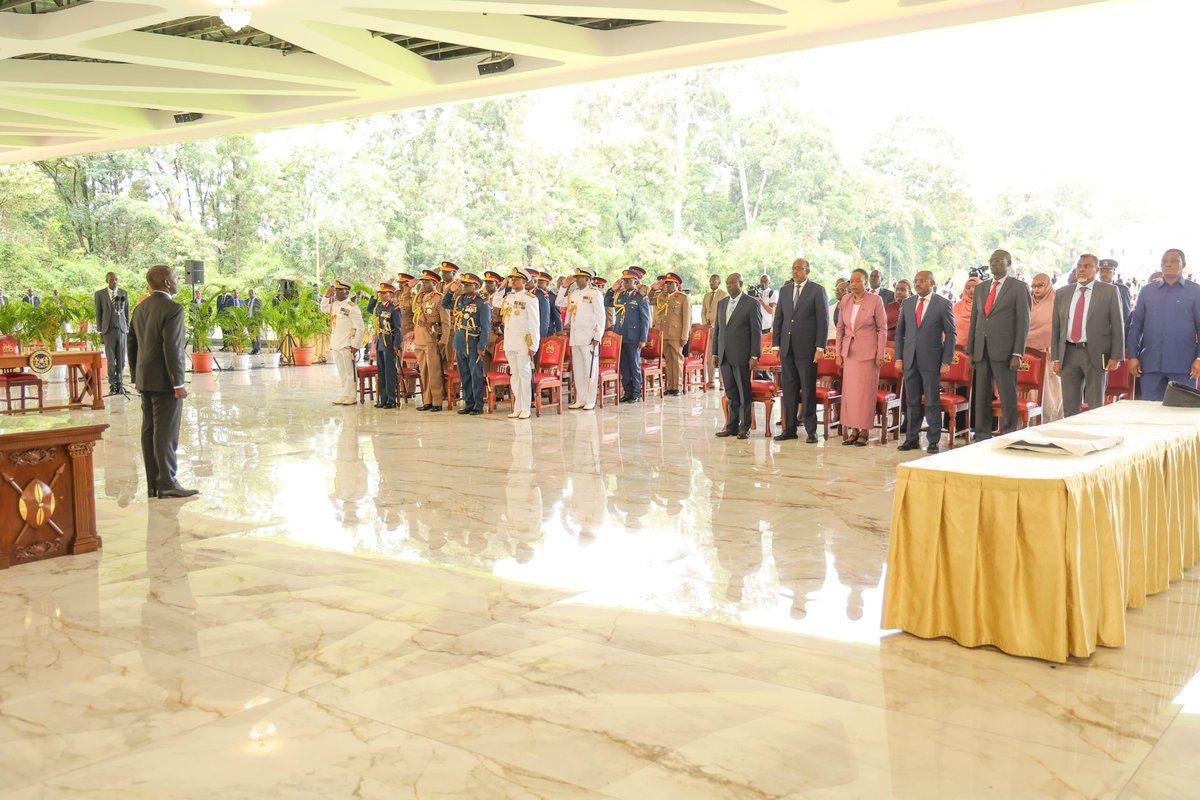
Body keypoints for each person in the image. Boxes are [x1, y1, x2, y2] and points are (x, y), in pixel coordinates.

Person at [127, 264, 197, 499]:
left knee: (149, 430)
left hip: (145, 380)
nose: (177, 281)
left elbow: (132, 345)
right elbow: (173, 348)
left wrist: (137, 377)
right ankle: (167, 482)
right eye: (175, 278)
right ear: (167, 283)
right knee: (165, 432)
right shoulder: (173, 308)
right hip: (166, 382)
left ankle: (153, 484)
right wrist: (178, 384)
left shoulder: (140, 309)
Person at [967, 250, 1031, 440]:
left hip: (1005, 351)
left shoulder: (1019, 287)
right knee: (981, 396)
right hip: (981, 349)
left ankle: (1009, 434)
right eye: (991, 261)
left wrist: (1017, 353)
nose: (993, 263)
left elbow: (1023, 322)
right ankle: (982, 435)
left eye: (998, 260)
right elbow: (975, 321)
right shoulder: (981, 288)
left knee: (1007, 395)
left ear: (1008, 262)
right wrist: (971, 350)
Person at [1051, 254, 1125, 417]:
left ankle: (1094, 439)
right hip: (1068, 354)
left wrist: (1116, 356)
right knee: (1070, 407)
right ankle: (1072, 440)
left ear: (1096, 270)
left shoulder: (1109, 291)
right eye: (1079, 266)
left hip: (1096, 354)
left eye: (1087, 266)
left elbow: (1118, 326)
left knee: (1095, 405)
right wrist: (1055, 358)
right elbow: (1056, 328)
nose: (1082, 270)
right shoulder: (1063, 293)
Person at [894, 270, 955, 453]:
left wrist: (946, 360)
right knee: (911, 401)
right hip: (910, 359)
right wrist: (898, 357)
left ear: (932, 282)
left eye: (922, 281)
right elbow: (899, 333)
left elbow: (951, 334)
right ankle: (911, 438)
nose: (918, 284)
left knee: (931, 401)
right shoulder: (907, 303)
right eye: (916, 281)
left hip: (932, 360)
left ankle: (933, 440)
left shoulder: (943, 304)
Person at [1126, 249, 1200, 401]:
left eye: (1174, 261)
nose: (1168, 264)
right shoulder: (1147, 291)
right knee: (1151, 414)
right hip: (1150, 364)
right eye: (1164, 261)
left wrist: (1199, 359)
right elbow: (1136, 326)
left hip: (1184, 365)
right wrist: (1132, 356)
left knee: (1182, 414)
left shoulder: (1195, 291)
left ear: (1183, 264)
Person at [771, 258, 829, 443]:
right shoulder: (785, 290)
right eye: (793, 268)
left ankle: (812, 431)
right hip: (787, 348)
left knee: (808, 389)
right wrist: (776, 345)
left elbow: (823, 321)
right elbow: (779, 318)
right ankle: (789, 429)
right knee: (789, 389)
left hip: (807, 349)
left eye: (799, 269)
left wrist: (820, 347)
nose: (795, 272)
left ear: (807, 271)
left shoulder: (817, 290)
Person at [835, 268, 888, 446]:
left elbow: (882, 328)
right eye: (851, 281)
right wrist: (838, 353)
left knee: (865, 393)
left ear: (865, 282)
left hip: (868, 354)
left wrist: (880, 353)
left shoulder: (875, 300)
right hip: (849, 352)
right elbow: (840, 328)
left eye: (858, 281)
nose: (854, 284)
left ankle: (864, 430)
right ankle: (853, 430)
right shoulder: (846, 299)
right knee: (850, 394)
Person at [711, 272, 760, 440]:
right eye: (727, 283)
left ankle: (744, 427)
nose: (729, 285)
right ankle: (731, 426)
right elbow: (718, 331)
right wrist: (715, 352)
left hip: (742, 355)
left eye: (732, 283)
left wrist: (754, 356)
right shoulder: (722, 303)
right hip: (724, 355)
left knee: (743, 393)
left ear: (741, 284)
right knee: (731, 393)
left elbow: (756, 332)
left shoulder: (751, 304)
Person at [556, 267, 605, 410]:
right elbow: (559, 302)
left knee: (590, 369)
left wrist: (598, 336)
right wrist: (565, 286)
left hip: (589, 337)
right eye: (576, 277)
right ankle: (580, 398)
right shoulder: (575, 293)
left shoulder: (595, 294)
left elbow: (601, 317)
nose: (577, 280)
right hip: (575, 336)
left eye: (580, 277)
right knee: (578, 369)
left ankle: (590, 399)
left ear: (588, 279)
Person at [496, 268, 541, 418]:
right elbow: (495, 302)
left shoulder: (530, 299)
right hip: (509, 341)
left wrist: (534, 345)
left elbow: (535, 324)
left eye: (516, 279)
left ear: (524, 282)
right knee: (514, 375)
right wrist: (501, 288)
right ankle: (517, 407)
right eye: (512, 279)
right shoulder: (508, 297)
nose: (512, 282)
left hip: (523, 342)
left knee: (524, 374)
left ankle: (526, 408)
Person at [442, 273, 490, 415]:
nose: (464, 287)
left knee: (476, 375)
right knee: (465, 375)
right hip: (460, 342)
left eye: (468, 285)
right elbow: (445, 304)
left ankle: (478, 405)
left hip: (474, 342)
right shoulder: (460, 299)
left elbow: (486, 326)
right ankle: (468, 404)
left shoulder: (482, 302)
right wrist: (451, 291)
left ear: (476, 286)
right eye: (464, 284)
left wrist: (482, 346)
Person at [320, 280, 365, 405]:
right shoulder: (334, 305)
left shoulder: (352, 307)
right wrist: (326, 296)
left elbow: (360, 328)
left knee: (350, 371)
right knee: (342, 371)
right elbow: (323, 308)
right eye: (337, 290)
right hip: (336, 343)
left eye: (340, 290)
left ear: (347, 291)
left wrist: (355, 345)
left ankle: (351, 396)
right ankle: (345, 393)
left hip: (347, 344)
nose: (338, 292)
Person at [609, 271, 650, 403]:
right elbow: (606, 302)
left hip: (634, 337)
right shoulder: (620, 296)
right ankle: (627, 392)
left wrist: (643, 339)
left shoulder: (641, 298)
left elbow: (645, 320)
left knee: (634, 365)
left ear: (636, 282)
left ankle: (636, 393)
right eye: (624, 281)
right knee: (624, 366)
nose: (625, 283)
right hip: (620, 335)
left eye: (628, 281)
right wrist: (612, 289)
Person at [1027, 272, 1063, 421]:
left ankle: (1051, 421)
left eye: (1040, 285)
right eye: (1034, 286)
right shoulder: (1027, 302)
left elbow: (1059, 329)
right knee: (1029, 391)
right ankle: (1031, 422)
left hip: (1050, 354)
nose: (1036, 289)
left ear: (1048, 285)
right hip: (1028, 355)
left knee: (1051, 392)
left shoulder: (1057, 302)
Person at [412, 269, 448, 412]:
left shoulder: (440, 298)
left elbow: (446, 322)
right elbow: (414, 310)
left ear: (435, 283)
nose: (424, 284)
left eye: (427, 282)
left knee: (434, 371)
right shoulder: (420, 298)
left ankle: (437, 401)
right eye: (423, 282)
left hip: (431, 339)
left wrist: (443, 340)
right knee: (423, 372)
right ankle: (427, 400)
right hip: (419, 338)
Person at [94, 271, 130, 396]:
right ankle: (112, 385)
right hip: (108, 331)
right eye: (111, 279)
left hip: (121, 330)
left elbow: (126, 313)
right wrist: (100, 331)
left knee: (122, 359)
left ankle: (120, 384)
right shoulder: (99, 294)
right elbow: (98, 313)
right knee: (111, 360)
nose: (114, 281)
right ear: (107, 280)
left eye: (116, 279)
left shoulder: (123, 293)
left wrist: (127, 328)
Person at [654, 273, 690, 395]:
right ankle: (670, 386)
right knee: (669, 361)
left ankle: (678, 387)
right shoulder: (661, 297)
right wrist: (655, 288)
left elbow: (686, 318)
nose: (668, 285)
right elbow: (648, 299)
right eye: (667, 283)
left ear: (676, 285)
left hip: (676, 334)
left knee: (677, 361)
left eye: (671, 283)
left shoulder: (683, 298)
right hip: (664, 334)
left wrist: (684, 336)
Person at [371, 283, 402, 409]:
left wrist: (396, 344)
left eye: (385, 293)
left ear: (391, 294)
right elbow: (369, 309)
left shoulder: (394, 309)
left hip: (389, 341)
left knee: (389, 371)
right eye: (381, 293)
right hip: (380, 341)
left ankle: (391, 399)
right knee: (381, 371)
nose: (382, 295)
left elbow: (398, 328)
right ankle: (383, 399)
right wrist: (373, 297)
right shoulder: (378, 307)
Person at [701, 274, 727, 388]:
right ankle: (711, 380)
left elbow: (724, 312)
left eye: (714, 281)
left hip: (720, 329)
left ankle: (722, 381)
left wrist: (713, 325)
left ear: (719, 282)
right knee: (709, 355)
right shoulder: (706, 295)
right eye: (710, 281)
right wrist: (705, 324)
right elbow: (703, 311)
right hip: (708, 330)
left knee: (721, 354)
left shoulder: (724, 295)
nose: (711, 283)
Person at [1097, 259, 1132, 323]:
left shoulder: (1122, 290)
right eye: (1101, 271)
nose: (1104, 274)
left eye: (1108, 271)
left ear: (1113, 272)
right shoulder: (1093, 289)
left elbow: (1126, 315)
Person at [953, 276, 979, 348]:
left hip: (977, 348)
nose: (971, 290)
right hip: (957, 347)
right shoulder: (956, 307)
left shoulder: (985, 307)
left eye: (975, 287)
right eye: (968, 288)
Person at [244, 288, 262, 354]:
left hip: (255, 320)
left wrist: (260, 322)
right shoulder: (246, 301)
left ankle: (258, 350)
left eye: (252, 293)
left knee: (257, 335)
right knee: (251, 335)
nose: (250, 294)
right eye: (249, 293)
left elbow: (261, 312)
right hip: (248, 320)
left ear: (255, 294)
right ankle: (253, 349)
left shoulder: (258, 301)